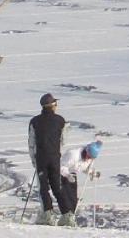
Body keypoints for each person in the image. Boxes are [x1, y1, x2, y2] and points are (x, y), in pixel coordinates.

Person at [27, 92, 69, 226]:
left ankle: (48, 215)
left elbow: (31, 143)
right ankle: (67, 215)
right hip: (55, 157)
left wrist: (34, 160)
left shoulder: (34, 121)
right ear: (53, 105)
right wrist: (56, 151)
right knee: (57, 187)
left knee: (43, 188)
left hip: (41, 158)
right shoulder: (61, 120)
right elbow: (64, 141)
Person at [58, 140, 102, 227]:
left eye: (90, 158)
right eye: (88, 156)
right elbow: (60, 166)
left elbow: (85, 168)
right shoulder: (73, 155)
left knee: (74, 199)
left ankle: (69, 218)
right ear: (86, 150)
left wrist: (92, 173)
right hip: (63, 173)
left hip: (73, 174)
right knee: (66, 197)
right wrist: (67, 175)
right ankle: (66, 218)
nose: (88, 159)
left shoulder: (90, 159)